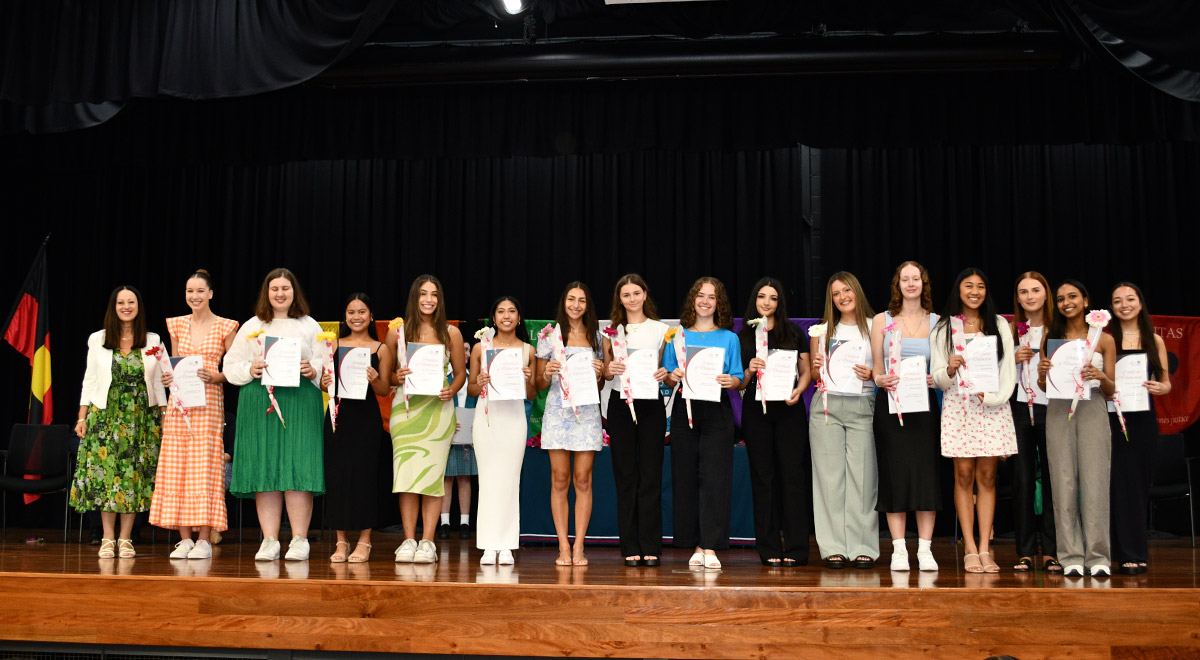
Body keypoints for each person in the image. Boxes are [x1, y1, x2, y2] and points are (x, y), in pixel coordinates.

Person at [224, 268, 326, 562]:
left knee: (299, 466)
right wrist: (250, 369)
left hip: (301, 402)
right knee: (264, 466)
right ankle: (269, 540)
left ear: (295, 292)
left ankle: (299, 540)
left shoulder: (309, 325)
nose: (280, 294)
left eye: (286, 288)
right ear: (266, 293)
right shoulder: (251, 325)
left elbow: (324, 363)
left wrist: (314, 370)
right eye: (274, 289)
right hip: (260, 402)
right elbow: (231, 366)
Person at [931, 268, 1016, 574]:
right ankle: (969, 548)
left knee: (988, 477)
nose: (975, 291)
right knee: (964, 476)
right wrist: (949, 369)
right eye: (969, 286)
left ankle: (985, 548)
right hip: (958, 407)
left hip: (992, 406)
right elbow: (938, 378)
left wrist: (992, 398)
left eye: (981, 286)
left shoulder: (999, 325)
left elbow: (1008, 371)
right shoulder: (944, 329)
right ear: (959, 290)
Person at [72, 286, 167, 559]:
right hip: (105, 416)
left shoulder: (153, 340)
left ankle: (126, 539)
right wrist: (82, 417)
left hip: (141, 419)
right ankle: (107, 537)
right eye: (121, 302)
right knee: (107, 476)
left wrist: (164, 415)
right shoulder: (97, 340)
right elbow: (90, 380)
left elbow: (160, 383)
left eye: (131, 302)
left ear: (139, 306)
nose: (126, 306)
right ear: (113, 307)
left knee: (133, 477)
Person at [151, 270, 239, 560]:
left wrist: (216, 376)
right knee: (178, 467)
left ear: (211, 293)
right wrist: (168, 378)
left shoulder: (227, 326)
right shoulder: (176, 325)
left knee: (205, 468)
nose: (195, 296)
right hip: (181, 405)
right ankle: (184, 538)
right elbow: (174, 363)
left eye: (200, 291)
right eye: (190, 291)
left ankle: (204, 539)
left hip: (210, 403)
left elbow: (236, 368)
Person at [664, 277, 743, 570]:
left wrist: (731, 380)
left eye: (712, 297)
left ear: (718, 303)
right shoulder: (678, 335)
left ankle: (709, 546)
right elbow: (671, 376)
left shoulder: (729, 338)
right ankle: (692, 542)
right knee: (686, 476)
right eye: (701, 295)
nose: (705, 301)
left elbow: (737, 378)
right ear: (692, 300)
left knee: (715, 477)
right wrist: (671, 375)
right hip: (685, 408)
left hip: (717, 410)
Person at [1039, 279, 1116, 577]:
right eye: (1060, 299)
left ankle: (1098, 556)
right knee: (1062, 481)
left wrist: (1099, 375)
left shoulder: (1104, 340)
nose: (1066, 302)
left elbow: (1111, 388)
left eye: (1072, 296)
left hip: (1093, 406)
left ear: (1086, 301)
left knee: (1095, 480)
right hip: (1058, 409)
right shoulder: (1052, 338)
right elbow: (1043, 386)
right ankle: (1070, 555)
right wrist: (1043, 373)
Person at [387, 275, 466, 565]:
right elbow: (388, 378)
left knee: (433, 479)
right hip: (405, 414)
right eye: (423, 293)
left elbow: (459, 374)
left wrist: (452, 390)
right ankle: (409, 540)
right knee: (407, 478)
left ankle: (428, 542)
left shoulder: (451, 333)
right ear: (414, 297)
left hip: (438, 413)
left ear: (440, 299)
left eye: (434, 294)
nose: (429, 299)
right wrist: (397, 377)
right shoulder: (397, 332)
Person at [869, 262, 940, 572]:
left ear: (923, 283)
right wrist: (880, 379)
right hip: (890, 407)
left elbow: (941, 369)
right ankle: (899, 549)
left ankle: (925, 549)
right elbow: (875, 368)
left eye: (916, 278)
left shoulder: (938, 322)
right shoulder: (881, 320)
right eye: (905, 279)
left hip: (924, 409)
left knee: (926, 477)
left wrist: (933, 379)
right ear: (897, 285)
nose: (911, 283)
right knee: (894, 475)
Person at [736, 277, 812, 566]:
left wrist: (800, 390)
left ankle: (796, 548)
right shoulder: (744, 335)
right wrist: (748, 370)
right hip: (756, 413)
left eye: (773, 298)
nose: (766, 302)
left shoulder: (793, 333)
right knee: (763, 479)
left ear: (780, 303)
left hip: (789, 411)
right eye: (761, 297)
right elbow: (740, 383)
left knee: (793, 479)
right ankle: (768, 549)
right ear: (754, 300)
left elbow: (805, 372)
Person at [809, 272, 877, 570]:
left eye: (847, 290)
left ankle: (863, 546)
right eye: (836, 293)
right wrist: (817, 367)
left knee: (863, 478)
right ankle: (833, 546)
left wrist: (871, 374)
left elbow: (887, 368)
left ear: (857, 291)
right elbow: (814, 376)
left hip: (863, 402)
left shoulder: (877, 326)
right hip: (827, 405)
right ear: (831, 299)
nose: (842, 297)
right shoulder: (822, 331)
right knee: (828, 478)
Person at [602, 274, 670, 567]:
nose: (631, 299)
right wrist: (610, 369)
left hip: (651, 404)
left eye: (636, 293)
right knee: (626, 476)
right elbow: (605, 373)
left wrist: (664, 373)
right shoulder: (611, 332)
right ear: (620, 299)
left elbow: (667, 369)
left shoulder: (662, 330)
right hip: (620, 405)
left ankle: (651, 545)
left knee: (651, 476)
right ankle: (630, 544)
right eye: (625, 294)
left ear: (645, 295)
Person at [320, 293, 393, 563]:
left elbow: (385, 389)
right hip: (338, 417)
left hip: (366, 419)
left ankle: (364, 540)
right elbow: (322, 384)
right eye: (351, 312)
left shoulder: (381, 348)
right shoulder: (333, 345)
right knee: (337, 477)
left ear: (371, 315)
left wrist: (374, 379)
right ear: (345, 317)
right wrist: (325, 380)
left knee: (365, 478)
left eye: (362, 312)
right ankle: (341, 541)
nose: (356, 317)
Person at [536, 281, 605, 566]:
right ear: (563, 303)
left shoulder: (598, 337)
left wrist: (601, 373)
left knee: (583, 479)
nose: (576, 305)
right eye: (571, 300)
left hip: (587, 413)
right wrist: (547, 370)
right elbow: (539, 383)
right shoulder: (549, 335)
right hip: (557, 411)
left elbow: (600, 383)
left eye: (582, 301)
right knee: (560, 479)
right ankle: (563, 547)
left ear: (588, 305)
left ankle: (579, 548)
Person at [1107, 282, 1171, 575]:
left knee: (1136, 488)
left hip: (1143, 420)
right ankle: (1111, 552)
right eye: (1118, 300)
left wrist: (1161, 387)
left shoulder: (1154, 340)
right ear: (1111, 307)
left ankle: (1135, 552)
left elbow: (1166, 382)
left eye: (1130, 299)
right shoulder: (1105, 339)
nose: (1124, 304)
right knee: (1113, 486)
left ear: (1140, 303)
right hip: (1110, 419)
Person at [469, 296, 536, 565]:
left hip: (514, 419)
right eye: (500, 311)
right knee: (487, 480)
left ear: (519, 318)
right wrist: (481, 381)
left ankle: (507, 545)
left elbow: (532, 394)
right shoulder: (480, 348)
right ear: (493, 317)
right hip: (486, 418)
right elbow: (473, 389)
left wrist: (530, 379)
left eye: (512, 311)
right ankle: (487, 544)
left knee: (510, 481)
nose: (506, 316)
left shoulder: (528, 350)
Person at [1009, 271, 1059, 573]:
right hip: (1017, 409)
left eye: (1035, 290)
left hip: (1050, 409)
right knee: (1023, 480)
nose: (1030, 296)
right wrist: (1012, 358)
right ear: (1017, 298)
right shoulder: (1011, 330)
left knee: (1054, 481)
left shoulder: (1059, 329)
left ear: (1046, 294)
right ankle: (1026, 551)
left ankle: (1052, 551)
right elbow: (996, 369)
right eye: (1023, 291)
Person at [439, 340, 476, 541]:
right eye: (460, 349)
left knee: (465, 478)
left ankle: (464, 522)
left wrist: (475, 423)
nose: (464, 353)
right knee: (446, 478)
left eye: (467, 349)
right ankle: (444, 523)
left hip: (468, 436)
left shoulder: (474, 379)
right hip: (447, 433)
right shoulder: (444, 378)